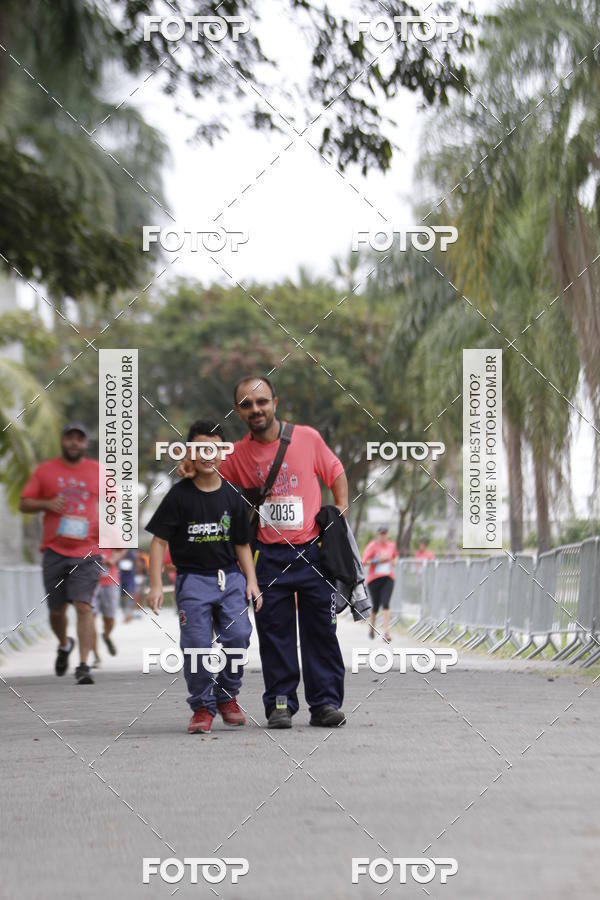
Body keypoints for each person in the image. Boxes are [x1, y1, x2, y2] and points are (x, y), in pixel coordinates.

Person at [213, 375, 349, 730]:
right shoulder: (237, 455)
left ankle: (325, 703)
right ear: (238, 411)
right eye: (247, 404)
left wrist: (340, 514)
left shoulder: (307, 438)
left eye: (262, 402)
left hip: (313, 552)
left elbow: (336, 472)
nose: (255, 409)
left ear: (274, 403)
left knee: (321, 631)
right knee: (275, 634)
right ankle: (280, 703)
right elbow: (211, 482)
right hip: (268, 558)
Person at [146, 420, 261, 735]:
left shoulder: (233, 497)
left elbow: (242, 544)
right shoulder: (179, 496)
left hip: (230, 578)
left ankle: (227, 695)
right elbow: (158, 541)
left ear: (223, 453)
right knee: (196, 645)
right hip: (193, 580)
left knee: (238, 635)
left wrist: (251, 581)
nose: (207, 455)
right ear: (190, 452)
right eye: (200, 448)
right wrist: (155, 585)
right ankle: (202, 706)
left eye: (214, 448)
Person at [19, 423, 101, 684]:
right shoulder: (45, 471)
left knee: (84, 606)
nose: (74, 442)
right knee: (56, 612)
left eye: (79, 438)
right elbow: (24, 503)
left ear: (85, 443)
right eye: (69, 438)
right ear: (62, 441)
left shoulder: (97, 471)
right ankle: (65, 644)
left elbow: (115, 504)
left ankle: (84, 665)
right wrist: (46, 503)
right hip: (54, 550)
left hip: (88, 550)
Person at [362, 526, 399, 642]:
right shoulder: (372, 546)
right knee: (376, 605)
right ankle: (372, 627)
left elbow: (395, 556)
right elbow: (364, 561)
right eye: (381, 534)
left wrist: (395, 561)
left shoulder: (391, 545)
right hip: (374, 580)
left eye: (385, 534)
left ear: (387, 535)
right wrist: (377, 560)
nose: (383, 536)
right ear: (378, 535)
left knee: (386, 603)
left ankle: (386, 632)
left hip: (388, 578)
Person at [93, 548, 125, 656]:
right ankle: (95, 654)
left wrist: (113, 559)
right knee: (89, 618)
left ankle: (106, 636)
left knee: (109, 620)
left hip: (110, 583)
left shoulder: (110, 538)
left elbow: (125, 546)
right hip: (90, 583)